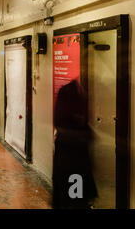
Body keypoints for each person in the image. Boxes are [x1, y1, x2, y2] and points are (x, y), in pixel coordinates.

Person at [52, 79, 97, 209]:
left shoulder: (63, 131)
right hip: (74, 169)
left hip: (69, 169)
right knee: (74, 200)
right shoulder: (74, 133)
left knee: (69, 199)